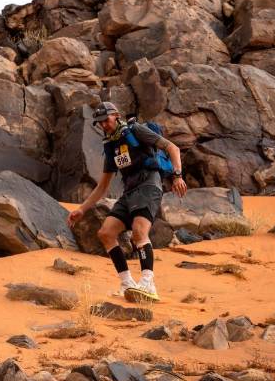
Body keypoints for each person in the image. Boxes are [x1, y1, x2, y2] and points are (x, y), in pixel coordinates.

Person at [66, 101, 188, 303]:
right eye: (100, 123)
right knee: (106, 233)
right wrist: (81, 209)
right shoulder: (111, 146)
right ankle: (127, 283)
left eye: (106, 120)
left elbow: (172, 148)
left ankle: (148, 283)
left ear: (116, 115)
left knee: (139, 231)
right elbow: (102, 186)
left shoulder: (135, 130)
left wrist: (177, 176)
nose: (104, 125)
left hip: (149, 186)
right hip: (129, 192)